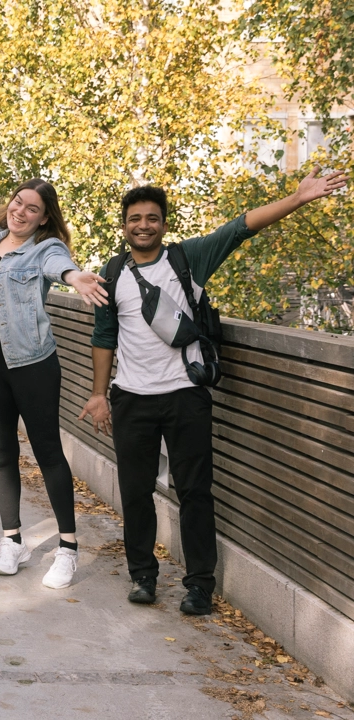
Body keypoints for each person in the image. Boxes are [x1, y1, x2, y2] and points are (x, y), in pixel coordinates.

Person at [78, 171, 347, 614]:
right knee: (135, 491)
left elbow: (239, 227)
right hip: (132, 399)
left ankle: (199, 585)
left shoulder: (189, 260)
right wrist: (98, 393)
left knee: (195, 492)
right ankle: (143, 576)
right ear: (123, 225)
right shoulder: (111, 273)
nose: (142, 225)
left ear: (164, 224)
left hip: (186, 396)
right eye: (134, 218)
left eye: (151, 218)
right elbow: (104, 336)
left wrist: (297, 198)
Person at [0, 118, 108, 589]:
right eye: (18, 202)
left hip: (33, 366)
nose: (20, 211)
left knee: (47, 454)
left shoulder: (46, 248)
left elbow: (61, 264)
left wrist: (75, 277)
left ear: (44, 218)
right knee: (1, 454)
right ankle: (12, 541)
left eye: (32, 209)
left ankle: (67, 548)